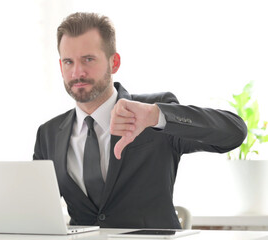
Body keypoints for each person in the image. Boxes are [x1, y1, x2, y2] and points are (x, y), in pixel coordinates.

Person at [33, 12, 247, 229]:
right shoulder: (48, 134)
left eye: (88, 59)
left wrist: (157, 116)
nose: (77, 72)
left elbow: (234, 133)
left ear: (114, 62)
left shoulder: (154, 113)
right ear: (61, 67)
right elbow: (36, 209)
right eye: (69, 62)